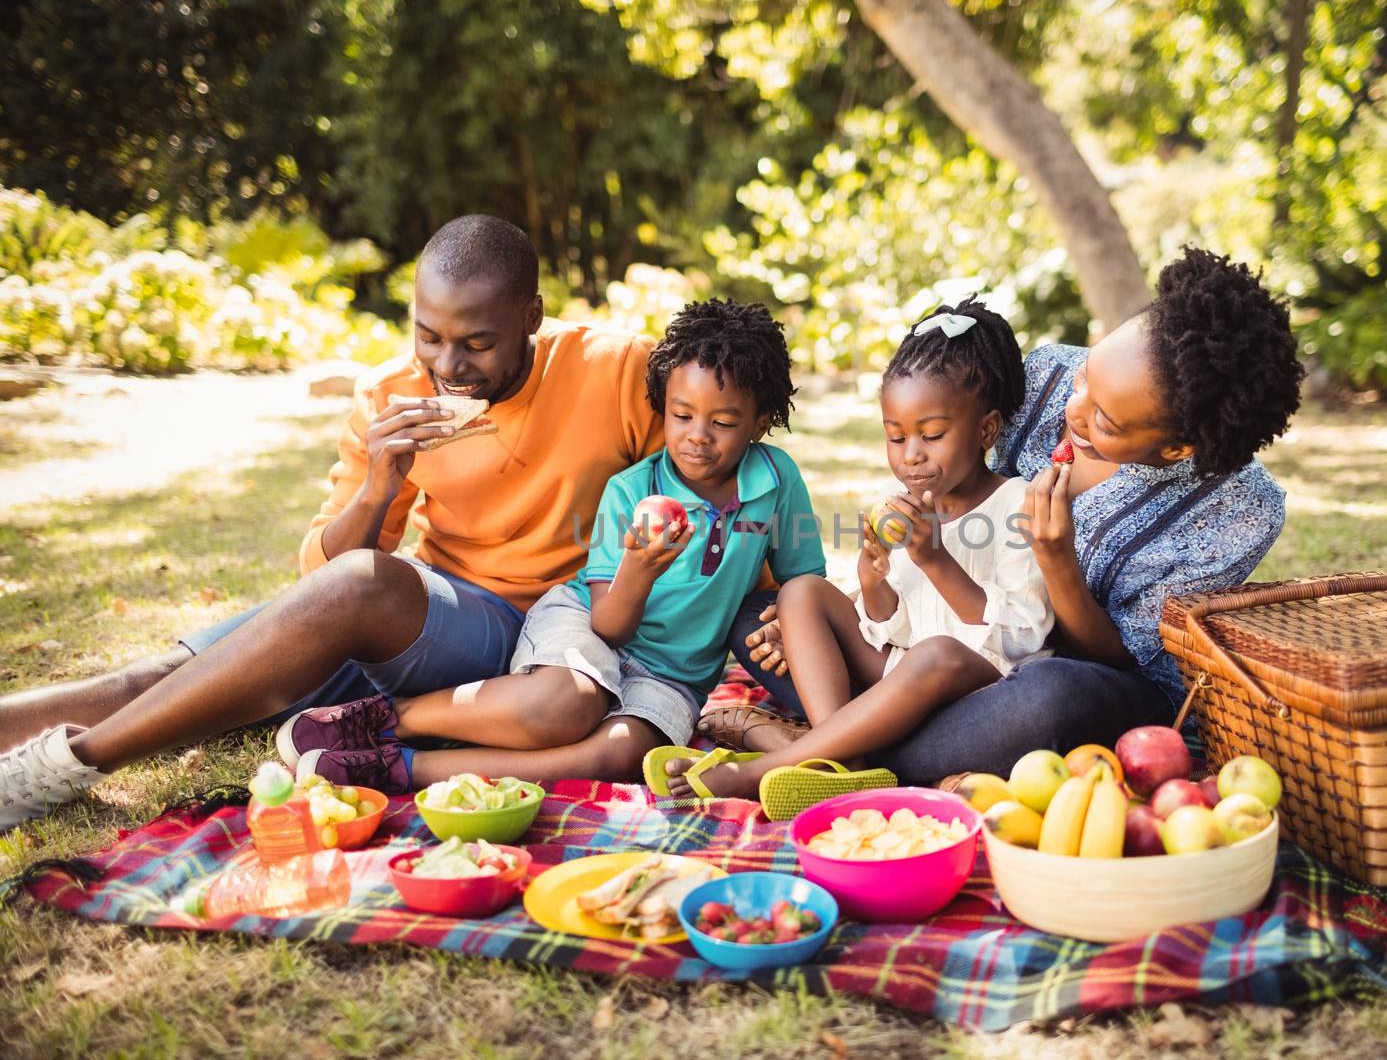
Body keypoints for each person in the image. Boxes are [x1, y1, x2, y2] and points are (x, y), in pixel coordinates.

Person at [0, 215, 663, 829]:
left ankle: (76, 760)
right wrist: (380, 483)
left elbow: (703, 496)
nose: (449, 368)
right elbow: (319, 577)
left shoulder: (617, 369)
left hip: (541, 636)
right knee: (166, 675)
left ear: (532, 317)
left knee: (360, 588)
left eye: (478, 343)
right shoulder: (389, 393)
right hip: (421, 626)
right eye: (428, 336)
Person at [717, 247, 1304, 784]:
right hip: (935, 642)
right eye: (1086, 379)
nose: (1074, 413)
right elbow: (953, 505)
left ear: (1177, 448)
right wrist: (848, 604)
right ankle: (856, 747)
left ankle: (823, 748)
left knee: (1048, 701)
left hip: (1049, 675)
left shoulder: (1234, 510)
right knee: (758, 614)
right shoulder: (1044, 376)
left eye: (1107, 422)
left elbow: (1120, 658)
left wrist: (1058, 562)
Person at [271, 299, 826, 792]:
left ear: (761, 423)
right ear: (662, 408)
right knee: (561, 707)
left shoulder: (777, 483)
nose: (697, 435)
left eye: (723, 422)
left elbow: (802, 579)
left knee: (622, 754)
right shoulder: (632, 492)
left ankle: (400, 768)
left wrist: (781, 618)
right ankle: (395, 716)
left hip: (676, 675)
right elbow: (609, 625)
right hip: (588, 621)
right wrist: (637, 566)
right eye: (681, 416)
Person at [665, 300, 1051, 800]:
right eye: (896, 437)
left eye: (932, 435)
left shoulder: (1018, 503)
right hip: (901, 674)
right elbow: (897, 630)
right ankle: (838, 757)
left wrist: (936, 560)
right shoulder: (909, 510)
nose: (911, 454)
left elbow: (1021, 634)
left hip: (982, 684)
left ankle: (768, 766)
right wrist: (873, 587)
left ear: (986, 430)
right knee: (800, 593)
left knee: (934, 655)